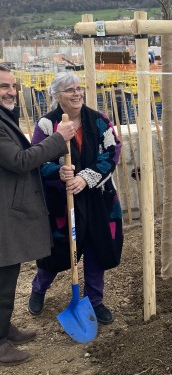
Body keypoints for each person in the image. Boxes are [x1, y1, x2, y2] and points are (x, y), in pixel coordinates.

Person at [28, 72, 123, 324]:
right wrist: (58, 172)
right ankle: (39, 289)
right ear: (57, 96)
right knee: (56, 251)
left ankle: (95, 301)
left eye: (79, 88)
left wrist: (86, 177)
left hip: (98, 199)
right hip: (63, 201)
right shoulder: (47, 125)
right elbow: (37, 159)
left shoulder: (99, 120)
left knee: (97, 248)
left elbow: (113, 151)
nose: (77, 93)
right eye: (70, 90)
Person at [0, 65, 75, 366]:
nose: (11, 91)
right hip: (3, 213)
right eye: (4, 86)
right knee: (3, 278)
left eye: (13, 86)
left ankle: (4, 328)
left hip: (8, 208)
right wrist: (57, 140)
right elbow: (19, 161)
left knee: (9, 272)